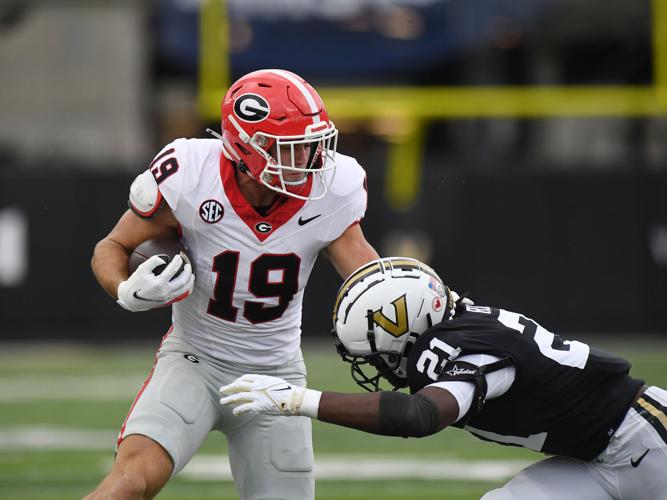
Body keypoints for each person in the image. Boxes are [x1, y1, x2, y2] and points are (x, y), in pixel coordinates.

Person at [87, 69, 379, 500]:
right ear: (248, 147)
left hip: (276, 376)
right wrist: (125, 289)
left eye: (310, 145)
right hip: (193, 361)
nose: (309, 159)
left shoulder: (333, 186)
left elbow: (368, 279)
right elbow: (111, 246)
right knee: (130, 483)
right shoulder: (189, 174)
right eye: (292, 148)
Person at [220, 257, 667, 500]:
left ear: (407, 328)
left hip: (647, 441)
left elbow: (421, 415)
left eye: (378, 355)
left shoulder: (458, 345)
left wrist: (299, 401)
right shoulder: (458, 326)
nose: (378, 368)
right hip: (594, 453)